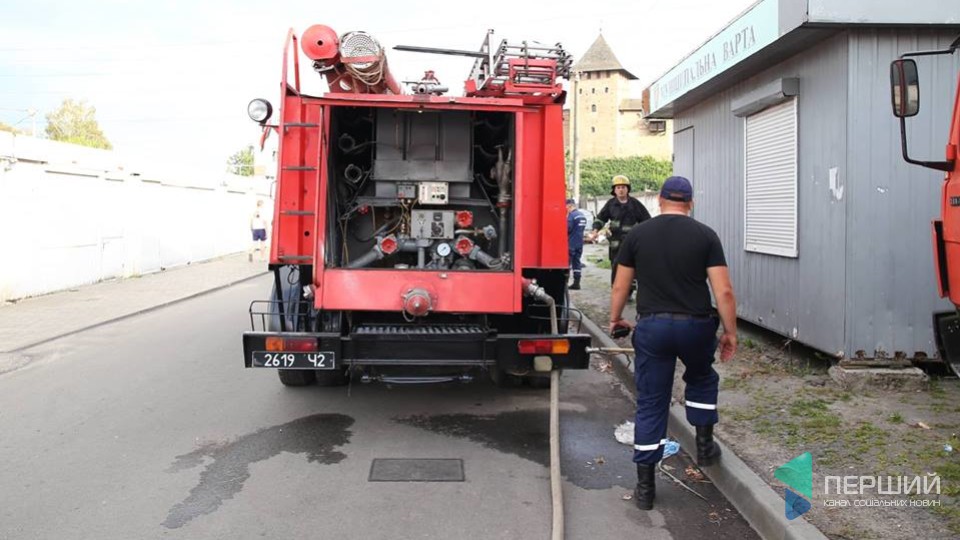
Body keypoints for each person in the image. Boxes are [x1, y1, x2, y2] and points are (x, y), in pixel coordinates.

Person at [607, 176, 737, 511]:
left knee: (652, 401)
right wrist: (730, 331)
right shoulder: (706, 235)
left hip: (654, 328)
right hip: (696, 327)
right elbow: (723, 291)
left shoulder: (638, 234)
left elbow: (621, 286)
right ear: (690, 203)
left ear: (660, 200)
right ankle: (706, 446)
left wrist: (615, 318)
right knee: (702, 377)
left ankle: (646, 488)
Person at [588, 175, 651, 292]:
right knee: (616, 265)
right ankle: (617, 290)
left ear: (628, 189)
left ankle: (629, 290)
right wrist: (595, 230)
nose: (621, 190)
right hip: (615, 242)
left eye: (623, 187)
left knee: (632, 264)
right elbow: (601, 218)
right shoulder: (610, 204)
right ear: (614, 190)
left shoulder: (635, 204)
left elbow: (646, 220)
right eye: (618, 188)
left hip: (632, 240)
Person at [566, 198, 587, 290]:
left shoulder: (572, 216)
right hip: (579, 243)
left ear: (570, 206)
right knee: (577, 263)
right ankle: (577, 283)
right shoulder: (582, 216)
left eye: (566, 207)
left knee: (567, 264)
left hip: (571, 244)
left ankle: (564, 283)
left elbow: (568, 229)